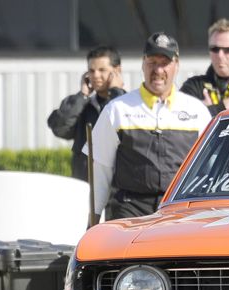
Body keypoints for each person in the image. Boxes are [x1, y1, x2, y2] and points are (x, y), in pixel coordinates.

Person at [86, 32, 211, 221]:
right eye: (152, 62)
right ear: (143, 64)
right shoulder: (117, 109)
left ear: (176, 65)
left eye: (164, 63)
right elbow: (101, 172)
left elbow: (210, 170)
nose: (158, 70)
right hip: (129, 211)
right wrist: (93, 219)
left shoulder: (198, 111)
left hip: (181, 211)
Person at [47, 46, 125, 181]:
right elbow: (60, 129)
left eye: (102, 70)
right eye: (91, 71)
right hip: (85, 185)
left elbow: (124, 129)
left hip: (118, 188)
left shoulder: (131, 105)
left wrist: (116, 93)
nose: (95, 76)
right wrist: (82, 96)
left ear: (117, 71)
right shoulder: (81, 105)